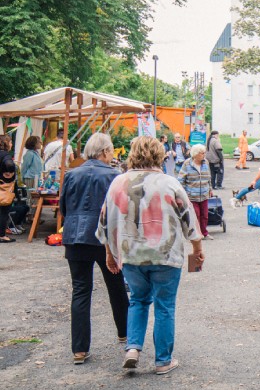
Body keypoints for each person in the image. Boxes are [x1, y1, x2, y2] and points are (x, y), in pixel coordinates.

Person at [97, 136, 205, 374]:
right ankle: (163, 361)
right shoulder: (169, 183)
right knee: (165, 306)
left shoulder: (118, 183)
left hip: (131, 255)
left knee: (137, 300)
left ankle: (133, 348)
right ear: (160, 154)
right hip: (166, 256)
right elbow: (190, 219)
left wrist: (109, 253)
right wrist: (197, 250)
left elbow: (105, 222)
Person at [60, 133, 128, 365]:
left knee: (80, 290)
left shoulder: (72, 174)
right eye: (110, 151)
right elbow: (119, 209)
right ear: (105, 152)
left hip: (74, 235)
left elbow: (64, 206)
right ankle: (125, 332)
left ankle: (79, 349)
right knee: (116, 284)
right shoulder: (113, 175)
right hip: (103, 237)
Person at [179, 144, 214, 240]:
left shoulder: (206, 163)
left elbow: (209, 178)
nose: (204, 155)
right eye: (202, 153)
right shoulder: (187, 164)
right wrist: (184, 193)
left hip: (204, 194)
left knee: (205, 215)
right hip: (192, 195)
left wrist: (210, 189)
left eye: (204, 153)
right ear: (195, 154)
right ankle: (197, 235)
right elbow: (181, 180)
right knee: (196, 215)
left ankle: (204, 233)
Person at [0, 135, 17, 243]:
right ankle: (1, 235)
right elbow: (9, 164)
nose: (11, 144)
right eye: (10, 142)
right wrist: (9, 173)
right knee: (3, 211)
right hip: (3, 188)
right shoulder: (5, 155)